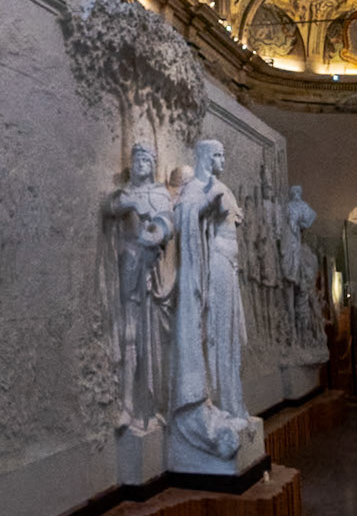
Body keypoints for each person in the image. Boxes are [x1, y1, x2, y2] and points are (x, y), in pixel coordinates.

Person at [170, 138, 253, 457]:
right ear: (205, 157)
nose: (222, 160)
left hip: (229, 268)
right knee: (217, 334)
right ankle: (218, 399)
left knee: (229, 336)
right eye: (217, 155)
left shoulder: (221, 187)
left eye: (223, 154)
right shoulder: (196, 189)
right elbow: (184, 218)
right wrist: (205, 206)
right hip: (214, 266)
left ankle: (233, 402)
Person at [106, 144, 175, 432]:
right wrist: (130, 204)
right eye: (137, 160)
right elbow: (110, 207)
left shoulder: (160, 194)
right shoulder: (124, 193)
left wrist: (156, 231)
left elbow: (167, 225)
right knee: (129, 335)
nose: (141, 164)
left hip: (152, 273)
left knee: (150, 341)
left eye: (146, 160)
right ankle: (127, 405)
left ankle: (150, 404)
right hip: (129, 266)